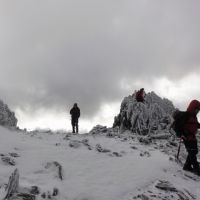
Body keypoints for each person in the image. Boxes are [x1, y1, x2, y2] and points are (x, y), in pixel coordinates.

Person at [182, 100, 200, 175]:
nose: (198, 111)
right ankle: (197, 169)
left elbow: (196, 125)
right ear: (193, 108)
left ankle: (187, 166)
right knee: (192, 152)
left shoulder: (193, 116)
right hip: (187, 137)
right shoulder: (187, 116)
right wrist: (185, 134)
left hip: (192, 137)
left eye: (198, 110)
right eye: (197, 109)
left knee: (194, 151)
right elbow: (183, 126)